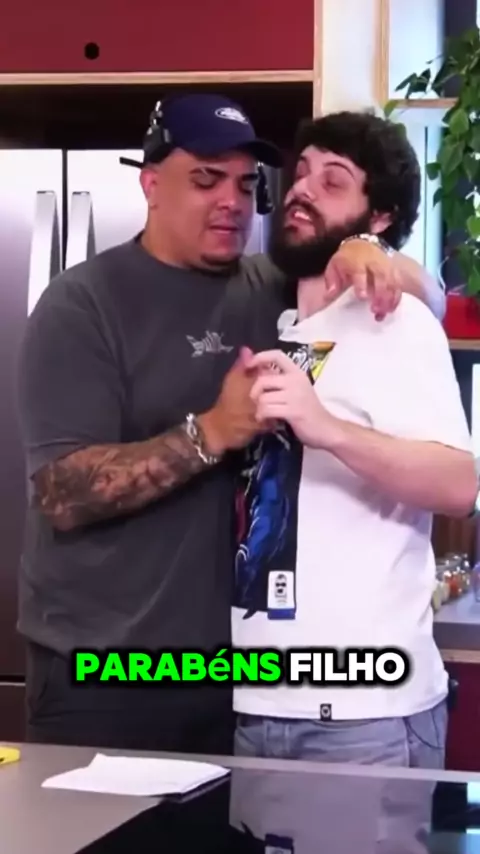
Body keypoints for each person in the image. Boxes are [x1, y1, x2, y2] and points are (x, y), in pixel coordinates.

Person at [16, 93, 445, 754]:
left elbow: (421, 293)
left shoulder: (271, 287)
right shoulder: (82, 305)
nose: (232, 202)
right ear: (151, 185)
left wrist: (372, 251)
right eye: (206, 179)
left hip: (236, 681)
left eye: (246, 185)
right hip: (103, 673)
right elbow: (62, 496)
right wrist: (211, 431)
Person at [232, 110, 477, 768]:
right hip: (259, 702)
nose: (302, 189)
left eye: (333, 180)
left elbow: (459, 485)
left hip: (365, 716)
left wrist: (328, 430)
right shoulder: (278, 321)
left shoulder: (393, 321)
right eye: (302, 172)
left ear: (380, 217)